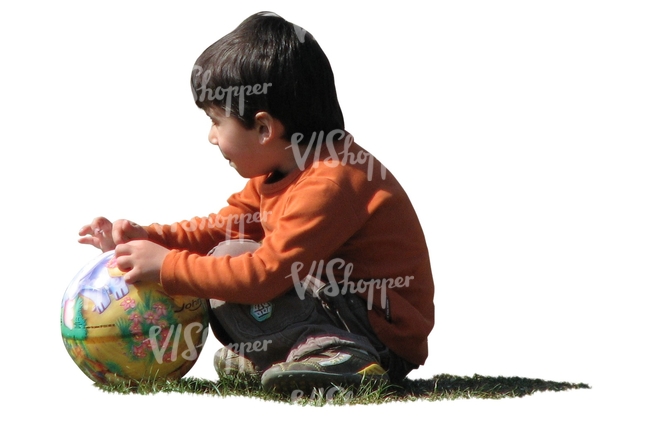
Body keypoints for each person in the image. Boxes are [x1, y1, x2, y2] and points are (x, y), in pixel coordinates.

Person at [78, 11, 434, 393]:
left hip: (379, 334)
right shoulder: (279, 167)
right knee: (226, 252)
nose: (211, 137)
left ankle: (342, 357)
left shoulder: (332, 182)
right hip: (337, 305)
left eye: (217, 121)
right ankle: (289, 350)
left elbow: (265, 275)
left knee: (228, 264)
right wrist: (148, 237)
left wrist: (167, 266)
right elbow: (221, 227)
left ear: (264, 128)